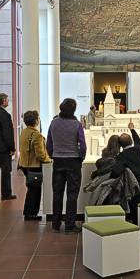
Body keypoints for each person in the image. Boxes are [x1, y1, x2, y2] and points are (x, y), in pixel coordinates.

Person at [46, 98, 87, 233]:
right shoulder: (77, 124)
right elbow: (82, 145)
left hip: (58, 160)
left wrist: (53, 154)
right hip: (73, 161)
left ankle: (56, 223)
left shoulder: (54, 123)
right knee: (72, 194)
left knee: (57, 193)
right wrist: (80, 158)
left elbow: (49, 143)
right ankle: (69, 225)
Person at [111, 121, 140, 224]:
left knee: (134, 209)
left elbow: (116, 172)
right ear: (131, 141)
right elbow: (138, 141)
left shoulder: (121, 157)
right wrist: (132, 129)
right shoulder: (138, 149)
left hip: (134, 188)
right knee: (139, 208)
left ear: (120, 145)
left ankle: (136, 230)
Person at [18, 110, 51, 221]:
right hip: (33, 166)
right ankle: (31, 213)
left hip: (24, 164)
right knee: (35, 191)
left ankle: (28, 212)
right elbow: (40, 154)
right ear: (36, 120)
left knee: (31, 189)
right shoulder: (36, 135)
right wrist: (49, 160)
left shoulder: (24, 132)